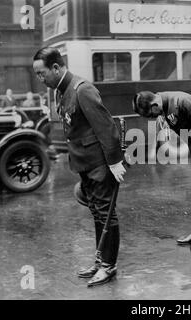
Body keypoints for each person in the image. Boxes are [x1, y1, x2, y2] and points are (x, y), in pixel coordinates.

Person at [33, 47, 126, 287]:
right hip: (84, 163)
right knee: (97, 212)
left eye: (42, 74)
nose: (40, 79)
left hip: (99, 164)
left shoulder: (82, 89)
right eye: (37, 75)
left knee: (105, 213)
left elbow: (106, 127)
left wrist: (115, 162)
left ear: (56, 67)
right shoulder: (60, 91)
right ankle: (100, 260)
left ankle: (108, 266)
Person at [132, 91, 191, 250]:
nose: (152, 118)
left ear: (154, 105)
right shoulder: (163, 108)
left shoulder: (181, 102)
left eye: (151, 115)